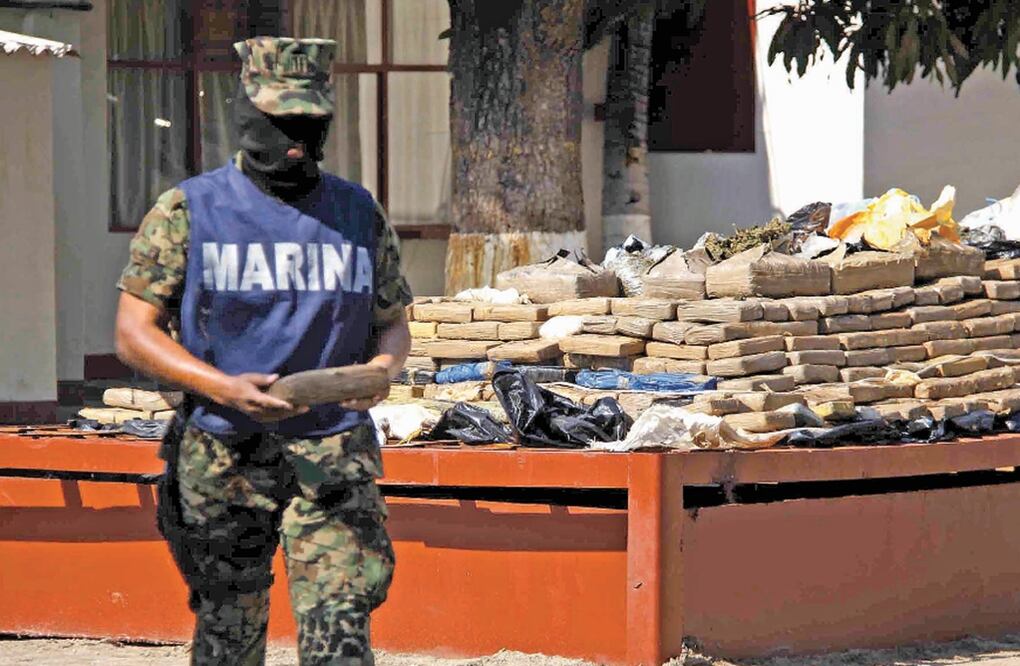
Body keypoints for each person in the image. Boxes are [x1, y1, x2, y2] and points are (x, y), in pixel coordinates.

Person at [114, 36, 412, 665]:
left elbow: (392, 320)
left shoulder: (357, 212)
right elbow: (134, 332)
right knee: (229, 625)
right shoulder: (189, 210)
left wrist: (386, 368)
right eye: (280, 122)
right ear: (246, 113)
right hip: (225, 451)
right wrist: (221, 386)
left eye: (311, 122)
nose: (296, 139)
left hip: (333, 449)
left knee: (340, 628)